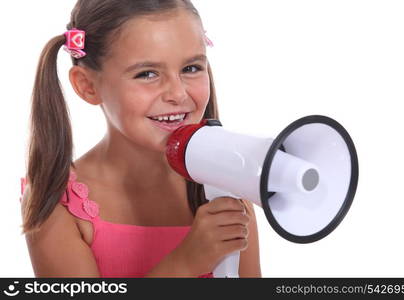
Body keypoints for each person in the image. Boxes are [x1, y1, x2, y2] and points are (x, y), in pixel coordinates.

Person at [20, 0, 261, 278]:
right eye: (147, 74)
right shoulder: (56, 203)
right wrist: (186, 263)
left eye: (191, 68)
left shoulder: (228, 187)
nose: (178, 94)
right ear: (87, 86)